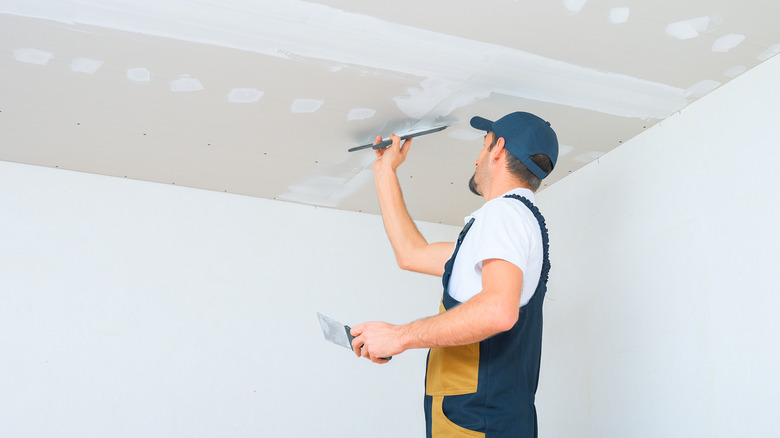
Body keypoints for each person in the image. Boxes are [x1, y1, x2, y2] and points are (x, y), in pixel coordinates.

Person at [350, 111, 558, 437]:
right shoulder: (505, 226)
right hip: (475, 422)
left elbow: (497, 311)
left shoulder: (504, 214)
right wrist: (384, 170)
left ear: (499, 148)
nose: (476, 160)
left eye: (483, 146)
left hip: (479, 425)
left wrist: (399, 336)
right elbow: (411, 254)